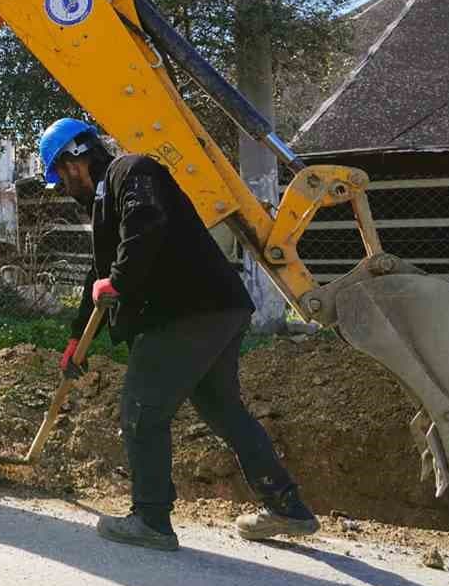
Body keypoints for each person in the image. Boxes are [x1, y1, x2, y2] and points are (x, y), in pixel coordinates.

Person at [39, 117, 319, 552]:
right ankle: (287, 507)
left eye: (59, 177)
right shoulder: (105, 201)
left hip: (184, 311)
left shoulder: (131, 172)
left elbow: (146, 224)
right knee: (223, 410)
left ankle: (150, 519)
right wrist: (79, 339)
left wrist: (120, 279)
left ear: (73, 160)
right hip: (217, 308)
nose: (63, 187)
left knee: (141, 409)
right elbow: (99, 274)